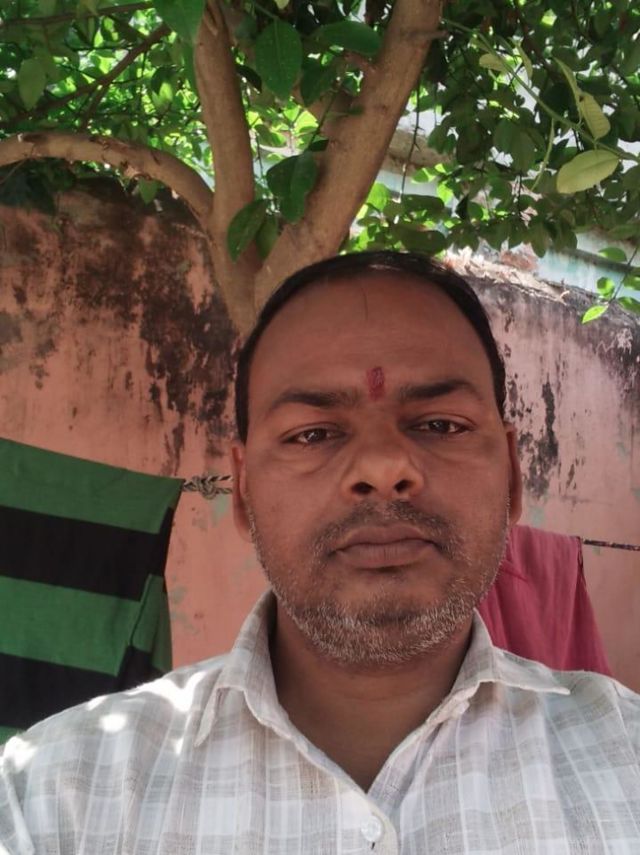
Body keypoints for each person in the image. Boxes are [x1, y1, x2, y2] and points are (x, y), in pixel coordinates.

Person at [1, 251, 639, 854]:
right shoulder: (48, 797)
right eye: (313, 434)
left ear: (513, 479)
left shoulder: (625, 756)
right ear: (243, 494)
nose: (383, 468)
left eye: (440, 425)